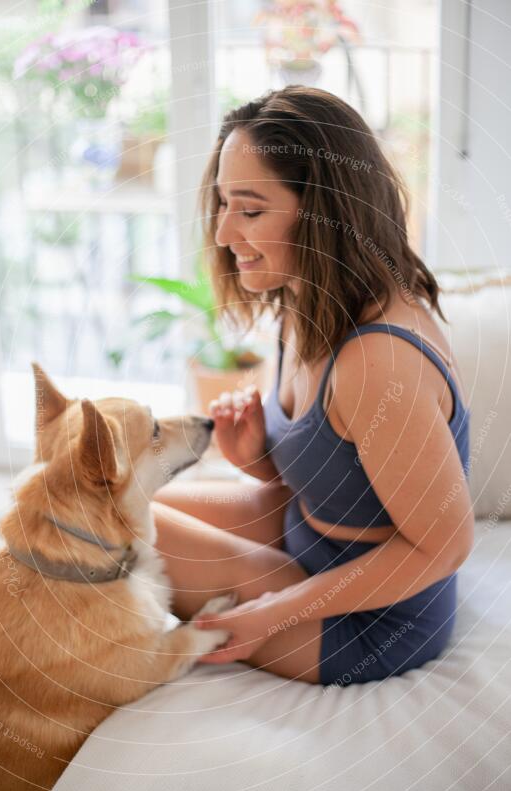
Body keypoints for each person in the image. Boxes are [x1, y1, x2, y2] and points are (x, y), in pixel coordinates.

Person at [150, 86, 474, 686]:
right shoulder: (305, 299)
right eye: (222, 204)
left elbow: (446, 546)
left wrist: (271, 614)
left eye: (249, 210)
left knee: (116, 533)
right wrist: (258, 462)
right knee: (125, 510)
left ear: (327, 213)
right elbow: (347, 475)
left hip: (371, 618)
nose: (223, 233)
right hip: (308, 536)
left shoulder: (379, 362)